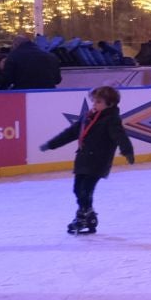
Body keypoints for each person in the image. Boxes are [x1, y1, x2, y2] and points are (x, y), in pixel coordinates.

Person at [40, 85, 135, 235]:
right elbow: (71, 133)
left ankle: (83, 216)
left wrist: (127, 150)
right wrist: (52, 144)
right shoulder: (88, 116)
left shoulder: (112, 120)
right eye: (94, 102)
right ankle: (89, 215)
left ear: (109, 104)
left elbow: (120, 136)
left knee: (85, 190)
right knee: (78, 189)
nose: (94, 105)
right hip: (83, 159)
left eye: (98, 102)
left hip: (99, 160)